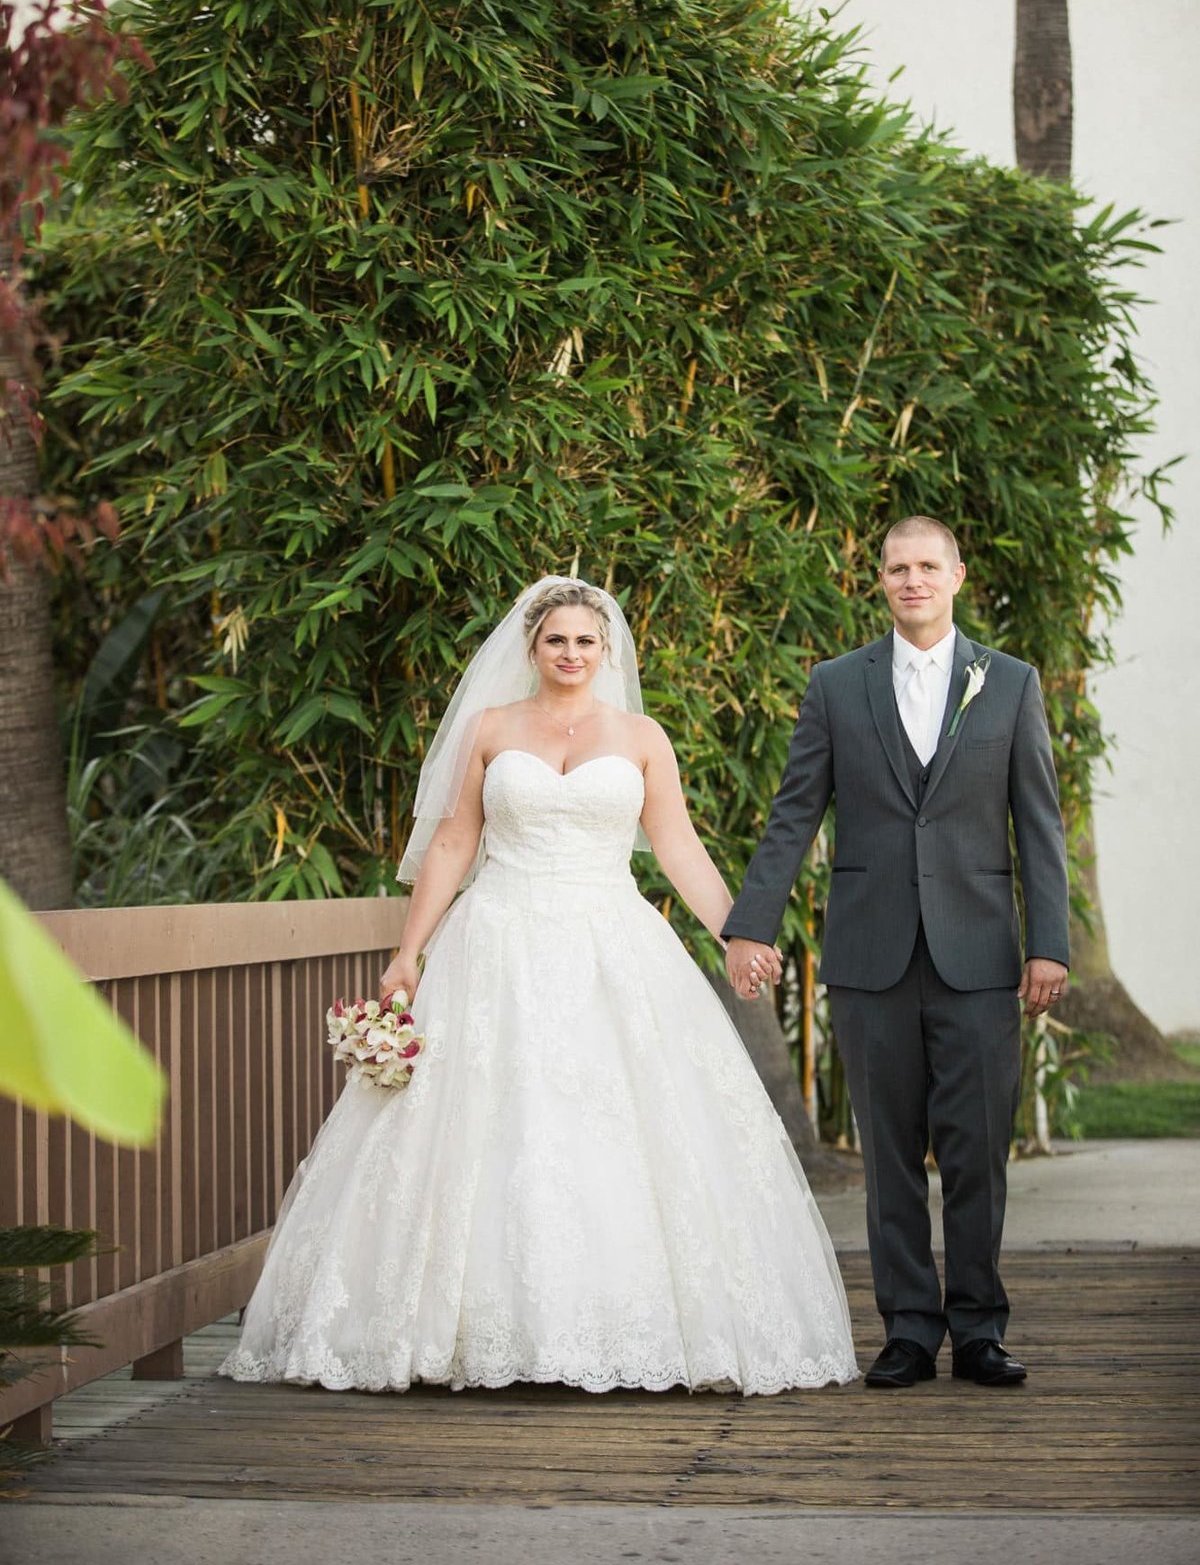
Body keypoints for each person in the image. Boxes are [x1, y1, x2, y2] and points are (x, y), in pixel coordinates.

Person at [220, 575, 856, 1396]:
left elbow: (677, 847)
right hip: (498, 941)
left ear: (607, 650)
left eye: (586, 641)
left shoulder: (641, 737)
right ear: (531, 648)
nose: (571, 653)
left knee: (616, 1122)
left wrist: (738, 932)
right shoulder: (490, 728)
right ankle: (467, 1331)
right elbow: (453, 843)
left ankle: (616, 1327)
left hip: (611, 941)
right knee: (490, 1121)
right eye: (556, 639)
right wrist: (409, 952)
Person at [723, 517, 1069, 1389]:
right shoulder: (838, 685)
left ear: (957, 572)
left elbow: (1039, 826)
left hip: (982, 955)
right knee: (887, 1154)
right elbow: (795, 811)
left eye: (926, 566)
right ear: (878, 580)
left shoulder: (1012, 682)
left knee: (976, 1149)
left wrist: (1049, 946)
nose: (911, 580)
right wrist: (753, 923)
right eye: (895, 568)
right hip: (872, 951)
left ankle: (980, 1329)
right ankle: (909, 1329)